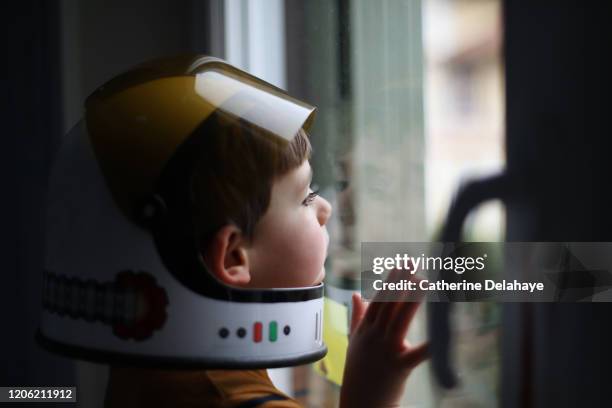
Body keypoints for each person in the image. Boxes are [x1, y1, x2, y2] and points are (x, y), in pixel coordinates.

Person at [39, 54, 427, 407]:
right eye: (305, 197)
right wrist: (371, 395)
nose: (325, 207)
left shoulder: (151, 372)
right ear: (233, 256)